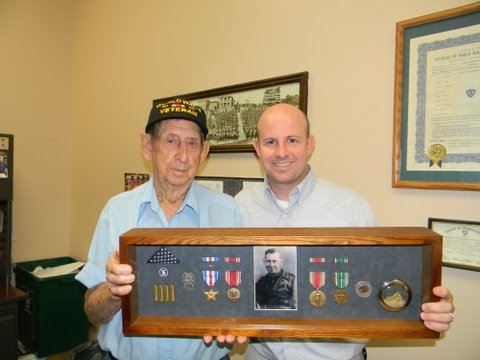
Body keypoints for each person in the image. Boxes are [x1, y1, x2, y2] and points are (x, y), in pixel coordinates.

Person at [235, 103, 455, 360]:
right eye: (270, 142)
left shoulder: (350, 207)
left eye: (292, 140)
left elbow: (382, 280)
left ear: (310, 145)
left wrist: (426, 304)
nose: (281, 152)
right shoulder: (239, 206)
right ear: (257, 148)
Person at [75, 98, 246, 360]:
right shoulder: (117, 210)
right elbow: (92, 311)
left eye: (192, 143)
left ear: (204, 151)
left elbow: (239, 298)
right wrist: (113, 291)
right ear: (147, 146)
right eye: (171, 141)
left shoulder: (227, 213)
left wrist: (236, 320)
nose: (183, 155)